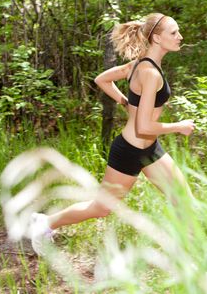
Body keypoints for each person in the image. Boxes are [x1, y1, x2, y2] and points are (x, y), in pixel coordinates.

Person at [29, 13, 196, 255]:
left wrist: (126, 102)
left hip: (149, 149)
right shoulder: (149, 73)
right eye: (174, 33)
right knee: (101, 207)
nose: (180, 37)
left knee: (183, 199)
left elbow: (102, 79)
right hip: (130, 150)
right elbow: (143, 127)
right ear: (157, 38)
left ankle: (189, 262)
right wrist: (178, 126)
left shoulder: (139, 64)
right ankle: (44, 223)